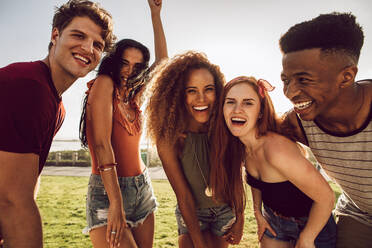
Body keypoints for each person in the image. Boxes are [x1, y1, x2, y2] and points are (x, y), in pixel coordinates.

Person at [0, 0, 114, 247]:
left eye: (98, 45)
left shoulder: (55, 104)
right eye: (78, 35)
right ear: (55, 35)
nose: (88, 48)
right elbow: (12, 200)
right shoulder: (28, 86)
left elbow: (25, 181)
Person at [278, 12, 372, 248]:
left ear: (347, 76)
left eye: (304, 79)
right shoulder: (298, 123)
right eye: (286, 80)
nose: (290, 92)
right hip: (358, 214)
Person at [79, 1, 167, 247]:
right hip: (109, 192)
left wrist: (155, 14)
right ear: (115, 61)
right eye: (125, 63)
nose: (129, 71)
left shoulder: (133, 97)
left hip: (142, 188)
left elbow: (163, 64)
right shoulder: (104, 84)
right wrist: (116, 204)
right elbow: (101, 144)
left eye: (137, 66)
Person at [210, 76, 337, 248]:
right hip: (274, 220)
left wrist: (307, 237)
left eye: (248, 103)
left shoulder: (276, 150)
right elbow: (255, 180)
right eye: (230, 102)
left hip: (312, 223)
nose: (237, 109)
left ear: (261, 111)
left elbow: (326, 198)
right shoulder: (242, 145)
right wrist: (258, 212)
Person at [146, 51, 244, 248]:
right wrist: (198, 243)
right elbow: (183, 196)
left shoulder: (225, 127)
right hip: (191, 212)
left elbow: (235, 176)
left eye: (208, 89)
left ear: (218, 91)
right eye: (191, 90)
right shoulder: (169, 137)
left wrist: (240, 218)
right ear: (178, 95)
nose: (201, 99)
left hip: (225, 210)